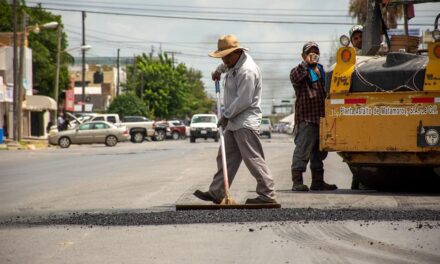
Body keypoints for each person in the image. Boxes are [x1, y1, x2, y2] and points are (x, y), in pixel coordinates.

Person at [193, 34, 277, 204]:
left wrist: (226, 116)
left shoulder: (247, 71)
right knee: (226, 156)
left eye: (225, 57)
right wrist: (218, 71)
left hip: (245, 121)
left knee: (252, 159)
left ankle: (268, 195)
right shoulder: (232, 62)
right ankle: (217, 192)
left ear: (235, 53)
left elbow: (244, 100)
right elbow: (225, 66)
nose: (223, 61)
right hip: (234, 120)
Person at [289, 41, 337, 192]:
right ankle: (297, 182)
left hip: (321, 119)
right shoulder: (299, 70)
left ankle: (318, 181)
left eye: (316, 52)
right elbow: (295, 77)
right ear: (303, 55)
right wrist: (306, 64)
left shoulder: (322, 71)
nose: (313, 54)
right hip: (307, 119)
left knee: (319, 153)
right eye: (310, 52)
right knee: (302, 150)